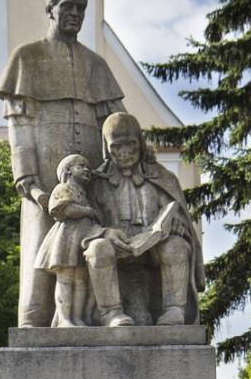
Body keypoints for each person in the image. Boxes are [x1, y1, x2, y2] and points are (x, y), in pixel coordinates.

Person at [0, 0, 125, 327]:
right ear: (50, 9)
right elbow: (19, 132)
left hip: (91, 180)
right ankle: (35, 320)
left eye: (81, 8)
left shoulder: (96, 65)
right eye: (67, 6)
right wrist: (29, 183)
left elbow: (114, 123)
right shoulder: (26, 58)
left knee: (91, 250)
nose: (75, 13)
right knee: (42, 252)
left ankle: (95, 316)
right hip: (45, 183)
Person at [83, 112, 205, 326]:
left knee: (177, 246)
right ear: (107, 148)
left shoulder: (162, 177)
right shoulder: (96, 182)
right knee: (97, 249)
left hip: (153, 249)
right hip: (115, 248)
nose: (124, 153)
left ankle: (174, 310)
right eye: (116, 147)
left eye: (130, 145)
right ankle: (111, 313)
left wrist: (176, 225)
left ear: (139, 142)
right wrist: (105, 233)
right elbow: (84, 223)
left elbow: (177, 214)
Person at [34, 154, 98, 327]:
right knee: (65, 279)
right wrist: (87, 211)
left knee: (80, 280)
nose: (86, 169)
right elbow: (65, 209)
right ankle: (64, 319)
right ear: (68, 170)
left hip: (81, 238)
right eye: (80, 166)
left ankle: (77, 318)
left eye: (87, 167)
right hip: (66, 238)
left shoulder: (82, 193)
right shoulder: (63, 188)